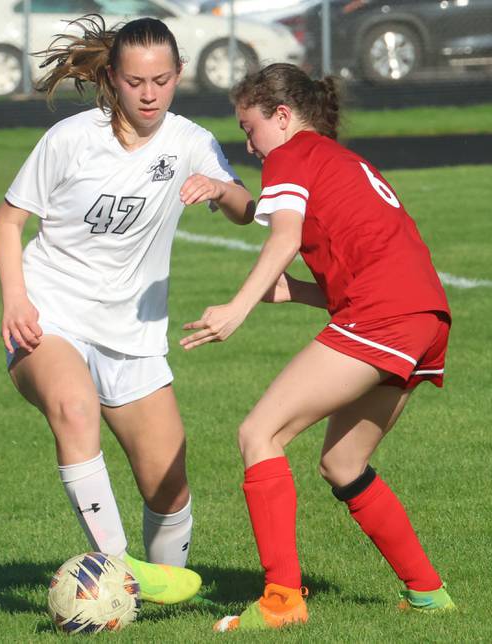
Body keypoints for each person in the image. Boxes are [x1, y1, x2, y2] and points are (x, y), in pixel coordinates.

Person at [181, 63, 454, 631]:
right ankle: (429, 594)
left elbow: (282, 234)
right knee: (342, 463)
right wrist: (296, 290)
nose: (250, 145)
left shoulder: (291, 154)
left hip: (384, 315)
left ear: (282, 116)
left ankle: (282, 602)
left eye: (249, 128)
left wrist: (239, 306)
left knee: (260, 433)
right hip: (424, 316)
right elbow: (353, 258)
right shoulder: (337, 159)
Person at [0, 15, 254, 606]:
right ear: (112, 77)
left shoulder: (189, 142)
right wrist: (16, 299)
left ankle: (161, 593)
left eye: (162, 79)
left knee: (168, 485)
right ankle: (116, 573)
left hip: (133, 334)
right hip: (52, 311)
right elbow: (9, 221)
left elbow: (243, 206)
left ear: (179, 74)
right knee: (74, 405)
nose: (149, 93)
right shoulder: (70, 140)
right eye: (136, 80)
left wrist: (220, 190)